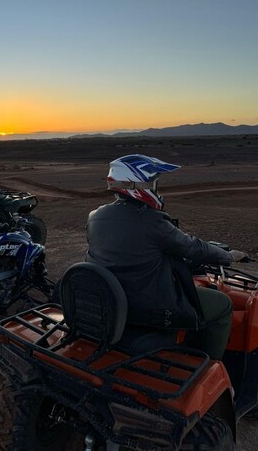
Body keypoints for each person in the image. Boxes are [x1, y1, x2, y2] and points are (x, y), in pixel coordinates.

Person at [85, 154, 248, 360]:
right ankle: (208, 366)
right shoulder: (152, 221)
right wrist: (228, 256)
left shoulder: (95, 216)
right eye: (153, 183)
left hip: (109, 301)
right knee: (223, 305)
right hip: (146, 306)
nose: (156, 189)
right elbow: (193, 247)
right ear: (136, 185)